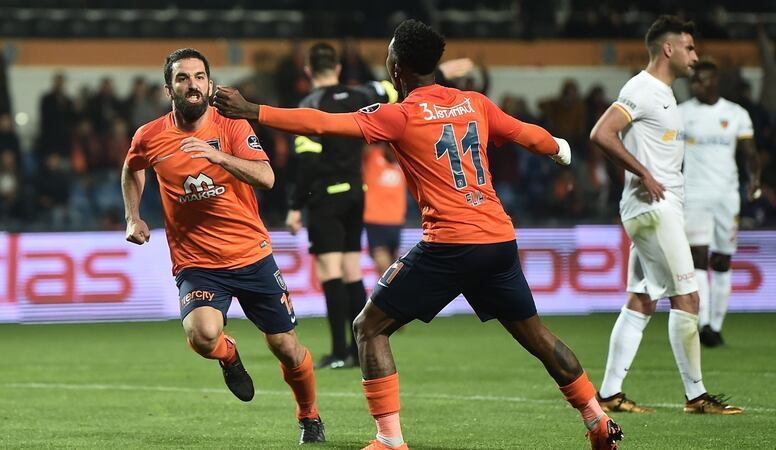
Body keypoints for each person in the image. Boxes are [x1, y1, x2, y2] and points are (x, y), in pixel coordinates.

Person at [214, 19, 623, 450]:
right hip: (498, 240)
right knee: (538, 336)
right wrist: (561, 149)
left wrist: (253, 111)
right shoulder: (474, 103)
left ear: (397, 68)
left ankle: (390, 440)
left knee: (369, 328)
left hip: (449, 245)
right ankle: (597, 420)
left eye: (390, 53)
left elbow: (321, 123)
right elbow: (529, 135)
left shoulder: (400, 115)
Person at [120, 48, 325, 445]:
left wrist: (216, 155)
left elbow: (266, 177)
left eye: (199, 77)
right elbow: (132, 167)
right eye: (183, 78)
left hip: (251, 255)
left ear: (210, 84)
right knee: (202, 335)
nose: (192, 85)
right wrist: (133, 216)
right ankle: (229, 356)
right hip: (197, 262)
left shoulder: (230, 126)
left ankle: (309, 415)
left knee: (285, 347)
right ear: (169, 89)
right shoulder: (150, 136)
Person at [589, 16, 743, 415]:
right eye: (689, 48)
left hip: (655, 208)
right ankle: (696, 396)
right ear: (668, 49)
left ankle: (609, 393)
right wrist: (644, 173)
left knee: (641, 300)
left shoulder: (665, 92)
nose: (695, 55)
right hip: (653, 209)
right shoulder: (641, 89)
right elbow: (601, 133)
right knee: (687, 297)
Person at [286, 42, 397, 370]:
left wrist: (295, 206)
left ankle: (339, 352)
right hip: (356, 193)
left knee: (331, 272)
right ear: (337, 68)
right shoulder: (360, 95)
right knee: (352, 270)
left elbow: (307, 163)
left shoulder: (309, 105)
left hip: (326, 198)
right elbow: (392, 90)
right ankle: (360, 348)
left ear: (309, 70)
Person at [680, 60, 761, 347]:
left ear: (714, 81)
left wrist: (755, 179)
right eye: (693, 81)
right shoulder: (682, 113)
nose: (695, 86)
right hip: (694, 195)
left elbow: (749, 152)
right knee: (698, 258)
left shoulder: (736, 113)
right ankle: (703, 324)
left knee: (722, 260)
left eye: (700, 80)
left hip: (727, 196)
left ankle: (715, 326)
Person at [362, 143, 407, 276]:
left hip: (396, 220)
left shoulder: (403, 160)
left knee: (392, 263)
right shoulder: (373, 154)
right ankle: (386, 288)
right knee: (382, 262)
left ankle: (390, 287)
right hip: (375, 219)